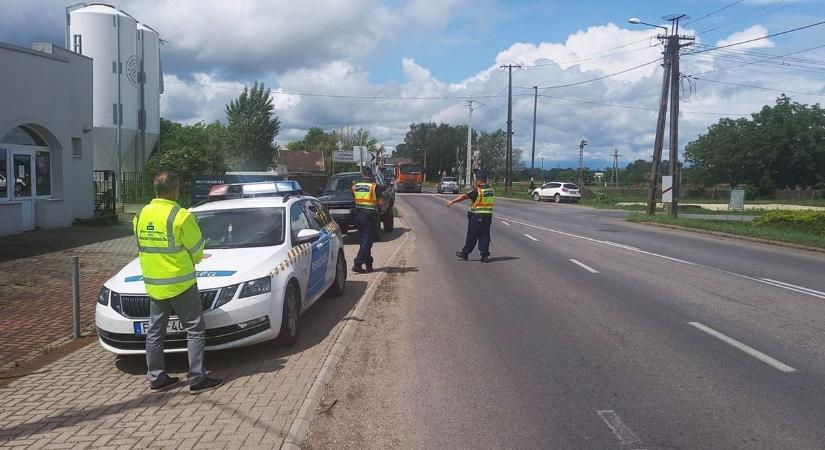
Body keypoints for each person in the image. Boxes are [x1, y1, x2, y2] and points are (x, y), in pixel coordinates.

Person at [133, 171, 223, 394]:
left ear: (156, 189)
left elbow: (141, 244)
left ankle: (156, 378)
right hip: (181, 283)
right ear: (175, 190)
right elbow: (197, 250)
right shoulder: (180, 216)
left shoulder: (141, 214)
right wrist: (191, 260)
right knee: (194, 328)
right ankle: (197, 378)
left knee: (155, 331)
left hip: (154, 284)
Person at [444, 170, 495, 263]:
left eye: (476, 180)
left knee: (472, 235)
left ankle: (465, 253)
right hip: (487, 217)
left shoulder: (477, 190)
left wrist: (453, 201)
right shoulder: (491, 190)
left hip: (477, 216)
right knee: (485, 235)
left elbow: (464, 196)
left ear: (479, 180)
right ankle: (484, 256)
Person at [351, 167, 383, 273]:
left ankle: (369, 265)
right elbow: (380, 203)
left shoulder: (355, 186)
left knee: (363, 241)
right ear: (371, 175)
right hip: (370, 216)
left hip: (358, 215)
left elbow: (354, 199)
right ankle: (357, 263)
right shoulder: (375, 186)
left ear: (362, 174)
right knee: (367, 241)